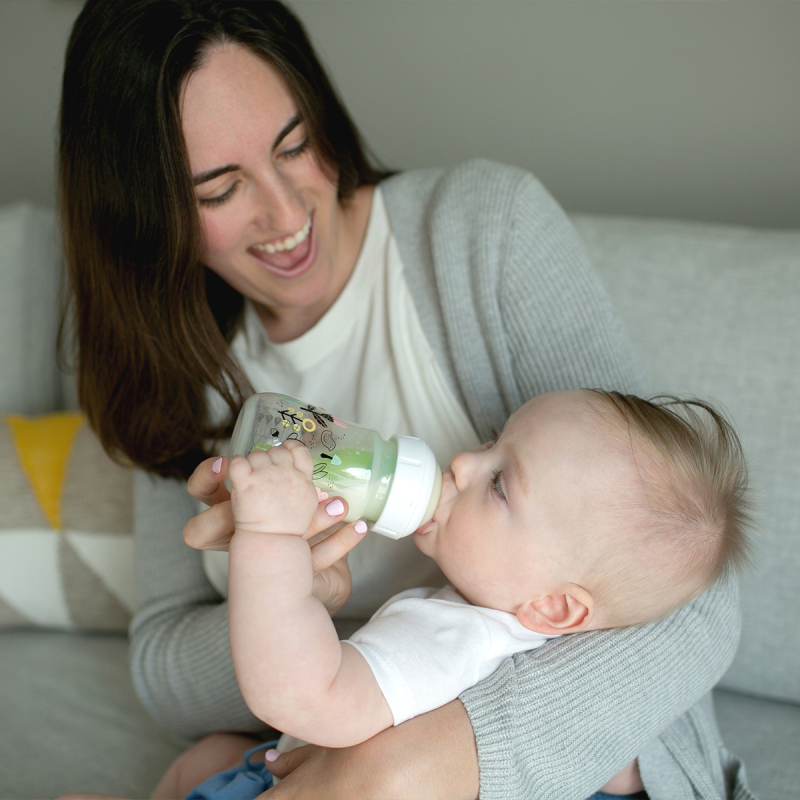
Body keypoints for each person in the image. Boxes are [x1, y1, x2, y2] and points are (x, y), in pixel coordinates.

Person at [57, 1, 752, 798]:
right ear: (142, 211)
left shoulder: (480, 235)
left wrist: (421, 761)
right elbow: (161, 669)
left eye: (295, 145)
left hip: (522, 756)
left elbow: (690, 583)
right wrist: (291, 588)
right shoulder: (176, 363)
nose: (286, 214)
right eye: (219, 189)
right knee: (205, 761)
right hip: (339, 707)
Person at [171, 389, 750, 799]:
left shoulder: (450, 635)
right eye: (494, 441)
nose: (465, 460)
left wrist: (268, 542)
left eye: (499, 483)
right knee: (208, 755)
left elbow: (302, 696)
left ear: (555, 606)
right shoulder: (527, 637)